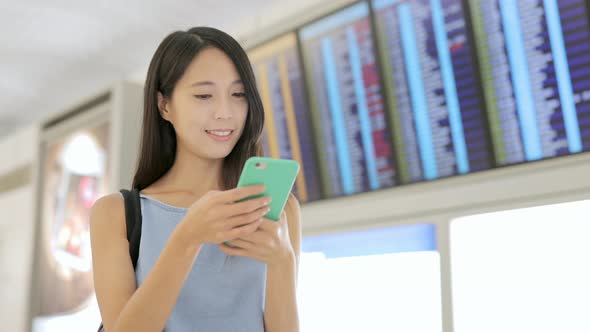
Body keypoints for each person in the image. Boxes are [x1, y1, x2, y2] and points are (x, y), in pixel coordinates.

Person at [90, 26, 301, 332]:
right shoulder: (116, 215)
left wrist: (282, 261)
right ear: (165, 105)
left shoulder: (282, 210)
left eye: (238, 94)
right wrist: (188, 238)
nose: (225, 112)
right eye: (204, 95)